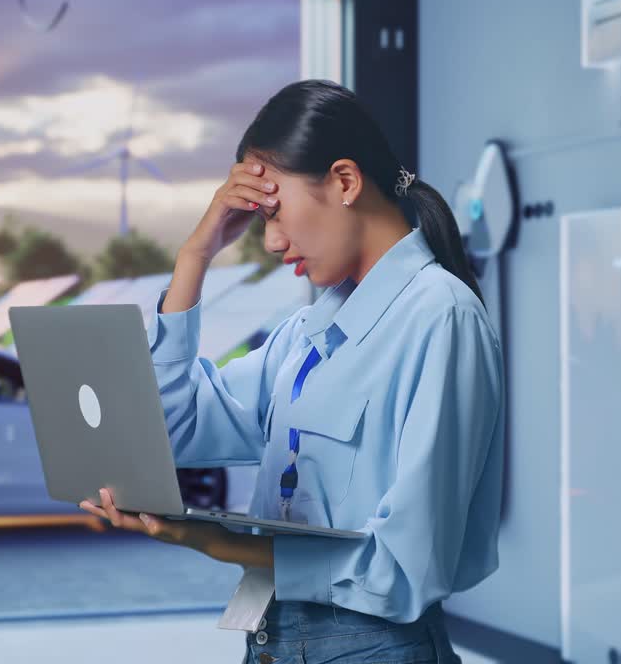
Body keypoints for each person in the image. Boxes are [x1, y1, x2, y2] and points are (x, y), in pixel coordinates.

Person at [80, 79, 505, 664]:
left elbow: (405, 569)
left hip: (373, 648)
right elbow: (169, 431)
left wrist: (216, 541)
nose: (273, 242)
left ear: (345, 181)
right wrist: (194, 257)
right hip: (275, 636)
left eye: (274, 212)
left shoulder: (441, 318)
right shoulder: (305, 334)